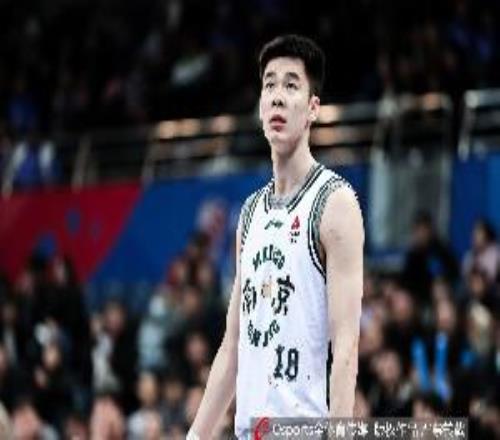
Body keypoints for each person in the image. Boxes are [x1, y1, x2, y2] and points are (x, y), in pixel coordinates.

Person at [188, 34, 364, 439]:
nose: (278, 97)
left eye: (291, 85)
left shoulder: (334, 202)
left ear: (313, 108)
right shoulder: (250, 213)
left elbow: (346, 345)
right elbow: (233, 347)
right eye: (269, 85)